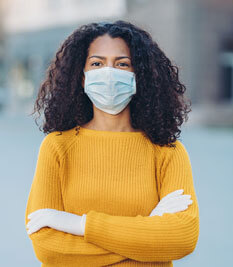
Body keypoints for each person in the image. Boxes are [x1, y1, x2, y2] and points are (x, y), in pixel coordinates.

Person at [25, 20, 199, 267]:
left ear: (140, 76)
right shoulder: (57, 147)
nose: (109, 72)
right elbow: (47, 248)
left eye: (122, 64)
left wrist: (80, 225)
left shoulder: (167, 151)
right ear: (82, 78)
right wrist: (147, 235)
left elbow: (182, 238)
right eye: (97, 63)